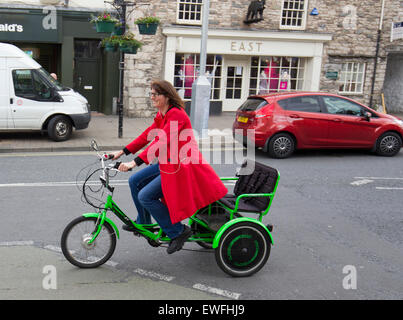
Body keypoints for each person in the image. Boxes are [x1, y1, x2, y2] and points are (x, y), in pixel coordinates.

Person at [111, 80, 228, 254]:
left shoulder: (177, 115)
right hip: (168, 162)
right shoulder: (162, 114)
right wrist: (122, 152)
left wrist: (134, 162)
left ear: (167, 96)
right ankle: (144, 223)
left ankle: (178, 231)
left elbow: (161, 140)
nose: (152, 97)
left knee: (145, 196)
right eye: (150, 94)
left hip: (182, 166)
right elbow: (147, 135)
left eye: (155, 94)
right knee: (135, 181)